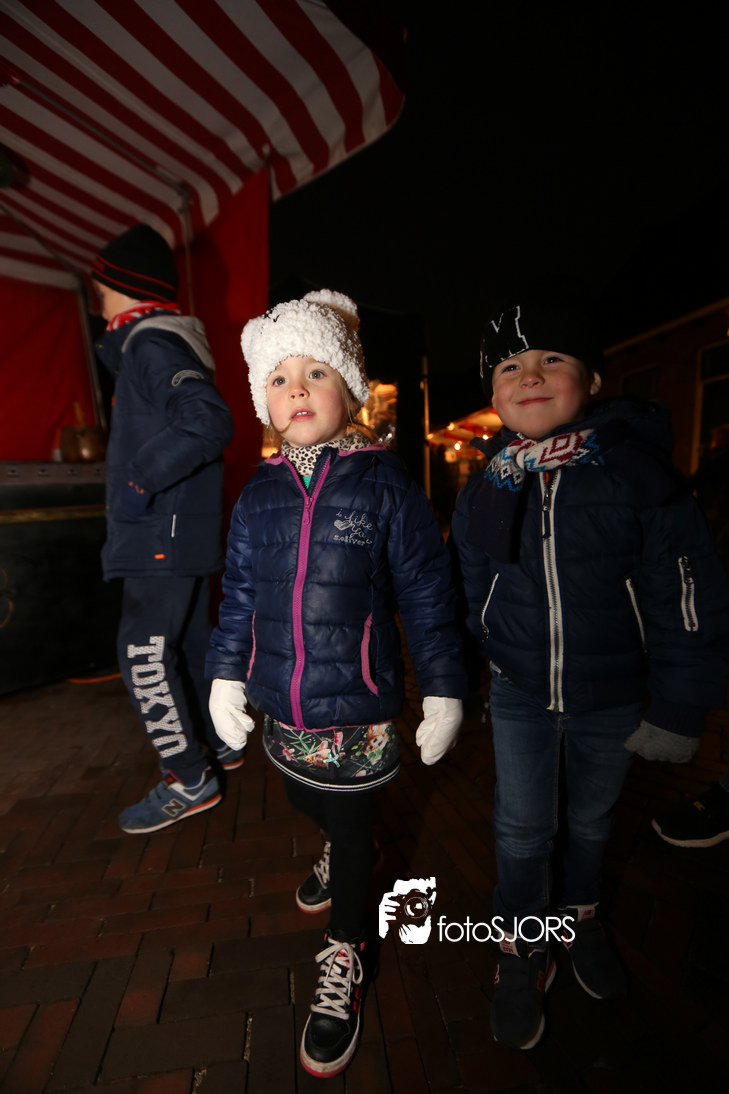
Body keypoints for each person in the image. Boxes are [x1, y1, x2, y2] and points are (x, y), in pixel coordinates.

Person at [450, 289, 729, 1051]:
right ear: (492, 393)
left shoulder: (637, 474)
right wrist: (470, 667)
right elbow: (469, 584)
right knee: (519, 828)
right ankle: (521, 943)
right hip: (518, 692)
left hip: (611, 694)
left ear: (594, 380)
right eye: (508, 365)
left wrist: (679, 704)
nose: (529, 375)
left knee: (591, 820)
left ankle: (578, 917)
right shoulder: (486, 486)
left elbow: (684, 591)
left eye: (551, 358)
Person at [205, 289, 466, 1078]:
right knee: (303, 797)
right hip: (283, 703)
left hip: (358, 704)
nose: (297, 389)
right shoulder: (256, 494)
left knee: (351, 829)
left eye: (315, 371)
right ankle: (338, 846)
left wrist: (445, 688)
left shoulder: (386, 487)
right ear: (264, 402)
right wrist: (223, 677)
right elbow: (239, 595)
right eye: (279, 377)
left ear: (349, 390)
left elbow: (427, 593)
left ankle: (345, 948)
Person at [91, 223, 235, 835]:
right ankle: (218, 743)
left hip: (159, 533)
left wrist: (137, 482)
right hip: (176, 531)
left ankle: (189, 779)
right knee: (187, 646)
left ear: (124, 285)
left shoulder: (150, 343)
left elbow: (207, 420)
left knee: (142, 656)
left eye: (100, 285)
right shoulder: (156, 343)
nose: (96, 297)